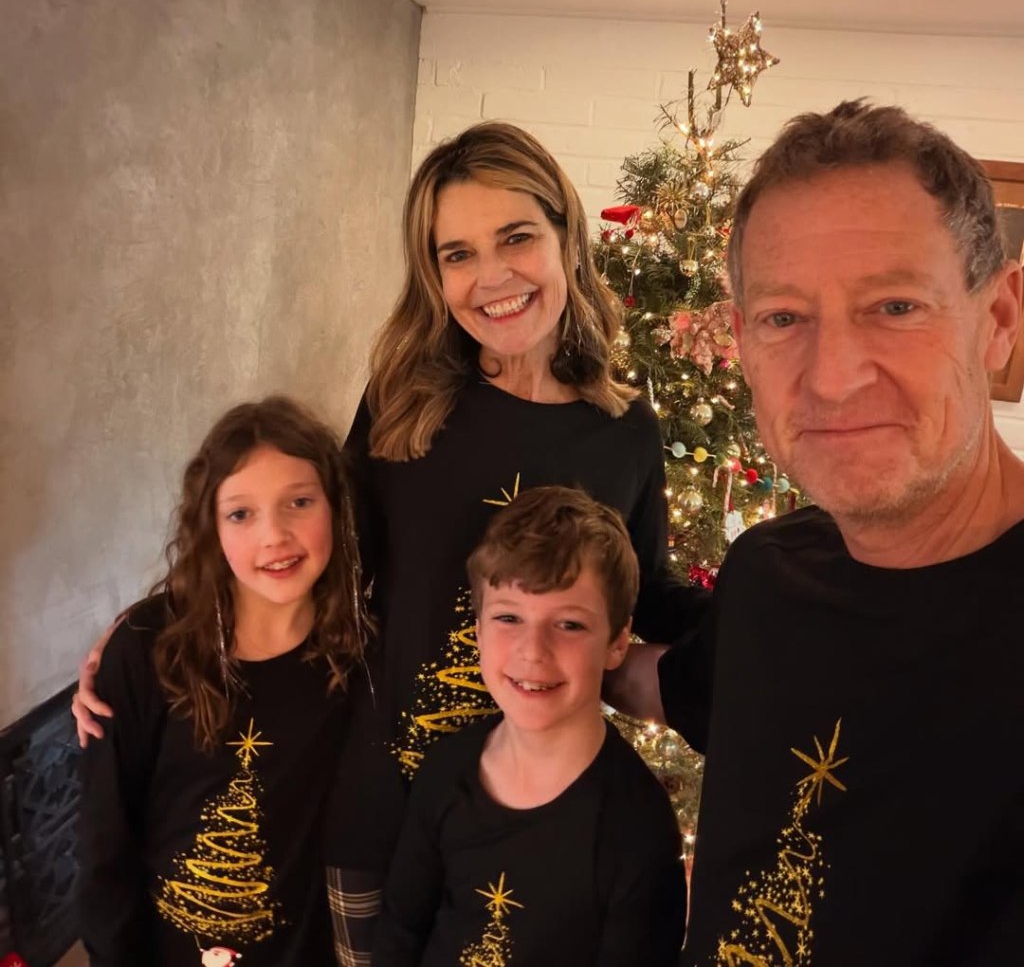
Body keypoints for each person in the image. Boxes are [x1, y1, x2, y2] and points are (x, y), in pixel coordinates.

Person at [73, 122, 707, 964]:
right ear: (434, 274)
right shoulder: (411, 397)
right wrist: (150, 632)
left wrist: (756, 635)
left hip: (520, 814)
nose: (493, 276)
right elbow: (307, 542)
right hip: (374, 807)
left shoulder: (623, 433)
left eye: (516, 237)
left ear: (566, 235)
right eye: (456, 254)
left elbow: (645, 590)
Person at [609, 100, 1024, 966]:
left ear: (1000, 319)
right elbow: (679, 687)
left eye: (896, 306)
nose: (831, 378)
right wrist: (547, 647)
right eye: (784, 318)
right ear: (740, 341)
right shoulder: (770, 572)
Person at [77, 396, 371, 966]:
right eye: (241, 513)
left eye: (300, 502)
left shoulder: (361, 652)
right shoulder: (146, 649)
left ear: (336, 507)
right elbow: (104, 845)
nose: (275, 535)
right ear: (209, 526)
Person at [373, 486, 687, 966]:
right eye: (508, 617)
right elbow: (399, 935)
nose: (532, 651)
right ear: (477, 629)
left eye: (569, 625)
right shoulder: (447, 770)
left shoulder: (637, 827)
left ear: (618, 642)